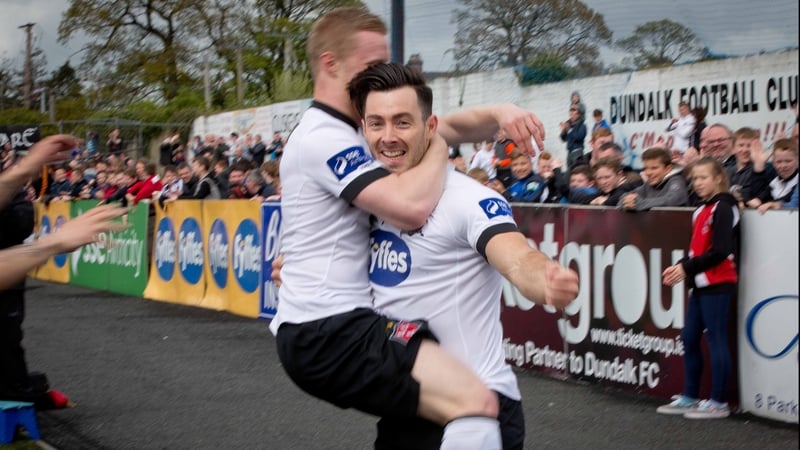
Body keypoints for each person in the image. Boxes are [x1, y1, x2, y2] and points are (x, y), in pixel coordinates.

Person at [270, 8, 547, 449]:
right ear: (330, 63)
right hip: (331, 329)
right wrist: (436, 146)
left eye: (401, 123)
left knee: (466, 403)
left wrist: (500, 110)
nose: (388, 132)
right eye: (372, 64)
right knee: (475, 400)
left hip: (338, 327)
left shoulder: (359, 130)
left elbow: (451, 125)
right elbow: (411, 208)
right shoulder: (325, 136)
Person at [346, 62, 578, 449]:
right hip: (407, 405)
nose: (388, 137)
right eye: (376, 124)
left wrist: (544, 278)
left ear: (430, 127)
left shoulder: (468, 199)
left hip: (475, 409)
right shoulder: (369, 196)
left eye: (402, 122)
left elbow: (516, 257)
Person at [658, 157, 739, 419]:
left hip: (719, 283)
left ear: (718, 178)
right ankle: (690, 396)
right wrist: (681, 266)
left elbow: (721, 250)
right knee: (689, 338)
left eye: (703, 177)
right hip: (700, 284)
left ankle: (719, 402)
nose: (698, 183)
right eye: (694, 179)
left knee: (716, 339)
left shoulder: (724, 207)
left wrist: (686, 268)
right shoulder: (701, 209)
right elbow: (698, 250)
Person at [619, 147, 688, 210]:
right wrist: (627, 201)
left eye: (654, 168)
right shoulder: (648, 185)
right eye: (646, 168)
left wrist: (641, 204)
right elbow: (624, 198)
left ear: (667, 169)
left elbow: (675, 199)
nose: (648, 173)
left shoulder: (676, 180)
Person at [748, 138, 798, 213]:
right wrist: (759, 164)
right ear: (773, 163)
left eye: (788, 161)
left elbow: (794, 204)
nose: (783, 165)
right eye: (779, 162)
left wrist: (775, 204)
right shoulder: (774, 181)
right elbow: (760, 195)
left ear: (797, 160)